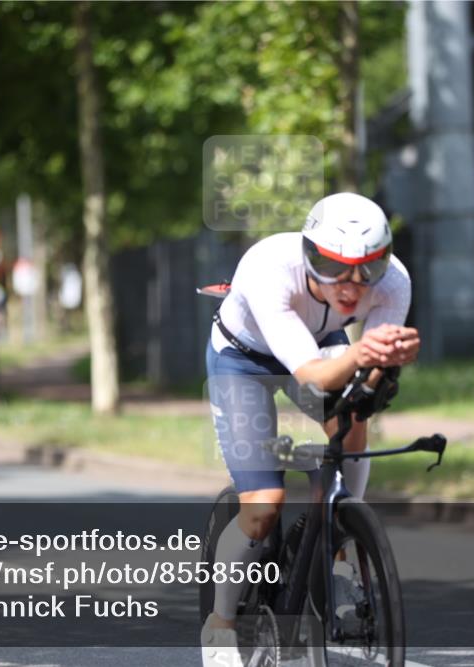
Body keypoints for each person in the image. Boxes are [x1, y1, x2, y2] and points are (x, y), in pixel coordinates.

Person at [200, 192, 420, 667]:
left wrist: (385, 365)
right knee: (263, 508)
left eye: (368, 269)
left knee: (356, 414)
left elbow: (366, 378)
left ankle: (342, 536)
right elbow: (309, 377)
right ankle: (219, 624)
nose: (351, 285)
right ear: (308, 254)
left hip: (322, 345)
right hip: (245, 359)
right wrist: (364, 354)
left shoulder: (395, 283)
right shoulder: (268, 269)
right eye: (332, 265)